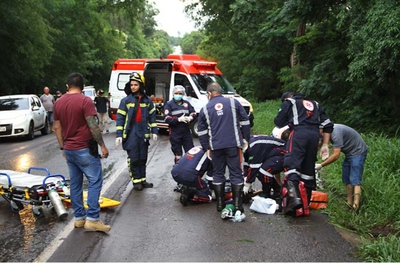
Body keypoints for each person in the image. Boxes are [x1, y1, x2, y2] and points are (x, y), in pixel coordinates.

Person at [53, 72, 110, 233]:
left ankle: (79, 218)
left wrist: (63, 147)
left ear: (67, 86)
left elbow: (57, 127)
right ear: (83, 87)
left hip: (69, 149)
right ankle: (92, 219)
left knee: (76, 184)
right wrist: (103, 146)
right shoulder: (85, 101)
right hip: (84, 148)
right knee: (95, 181)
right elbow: (93, 126)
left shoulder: (58, 102)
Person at [274, 92, 333, 216]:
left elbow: (278, 122)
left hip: (299, 134)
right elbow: (328, 125)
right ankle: (305, 205)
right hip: (314, 137)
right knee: (308, 169)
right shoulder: (315, 104)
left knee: (291, 164)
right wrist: (325, 145)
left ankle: (294, 200)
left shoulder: (290, 102)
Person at [197, 82, 251, 213]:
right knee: (236, 173)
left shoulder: (205, 109)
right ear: (220, 91)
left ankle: (220, 205)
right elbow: (245, 121)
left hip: (216, 147)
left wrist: (206, 148)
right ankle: (238, 206)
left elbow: (202, 131)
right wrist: (245, 139)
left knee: (218, 174)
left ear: (209, 94)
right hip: (233, 145)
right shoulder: (234, 103)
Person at [115, 72, 158, 191]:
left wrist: (154, 131)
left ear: (141, 85)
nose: (133, 87)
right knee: (133, 158)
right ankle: (136, 181)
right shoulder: (126, 101)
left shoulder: (147, 100)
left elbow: (152, 117)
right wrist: (119, 135)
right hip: (131, 133)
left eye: (135, 85)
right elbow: (120, 118)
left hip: (143, 132)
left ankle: (143, 180)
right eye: (131, 85)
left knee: (143, 158)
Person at [315, 124, 368, 210]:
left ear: (322, 129)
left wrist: (321, 165)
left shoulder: (335, 133)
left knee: (355, 180)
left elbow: (336, 155)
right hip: (349, 154)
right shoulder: (323, 133)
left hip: (358, 152)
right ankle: (349, 203)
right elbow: (319, 143)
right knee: (346, 179)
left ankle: (356, 206)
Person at [164, 85, 196, 192]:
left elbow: (194, 112)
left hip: (186, 133)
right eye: (176, 93)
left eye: (180, 93)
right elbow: (167, 118)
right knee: (178, 157)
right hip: (175, 133)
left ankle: (190, 179)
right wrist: (178, 120)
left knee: (190, 155)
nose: (178, 95)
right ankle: (179, 182)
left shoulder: (187, 104)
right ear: (173, 94)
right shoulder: (169, 104)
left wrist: (191, 117)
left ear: (183, 94)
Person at [243, 128, 290, 201]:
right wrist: (245, 178)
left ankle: (267, 192)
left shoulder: (253, 147)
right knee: (260, 171)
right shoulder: (248, 147)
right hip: (274, 154)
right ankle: (277, 190)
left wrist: (247, 184)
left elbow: (254, 167)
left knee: (263, 170)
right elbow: (247, 166)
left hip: (283, 154)